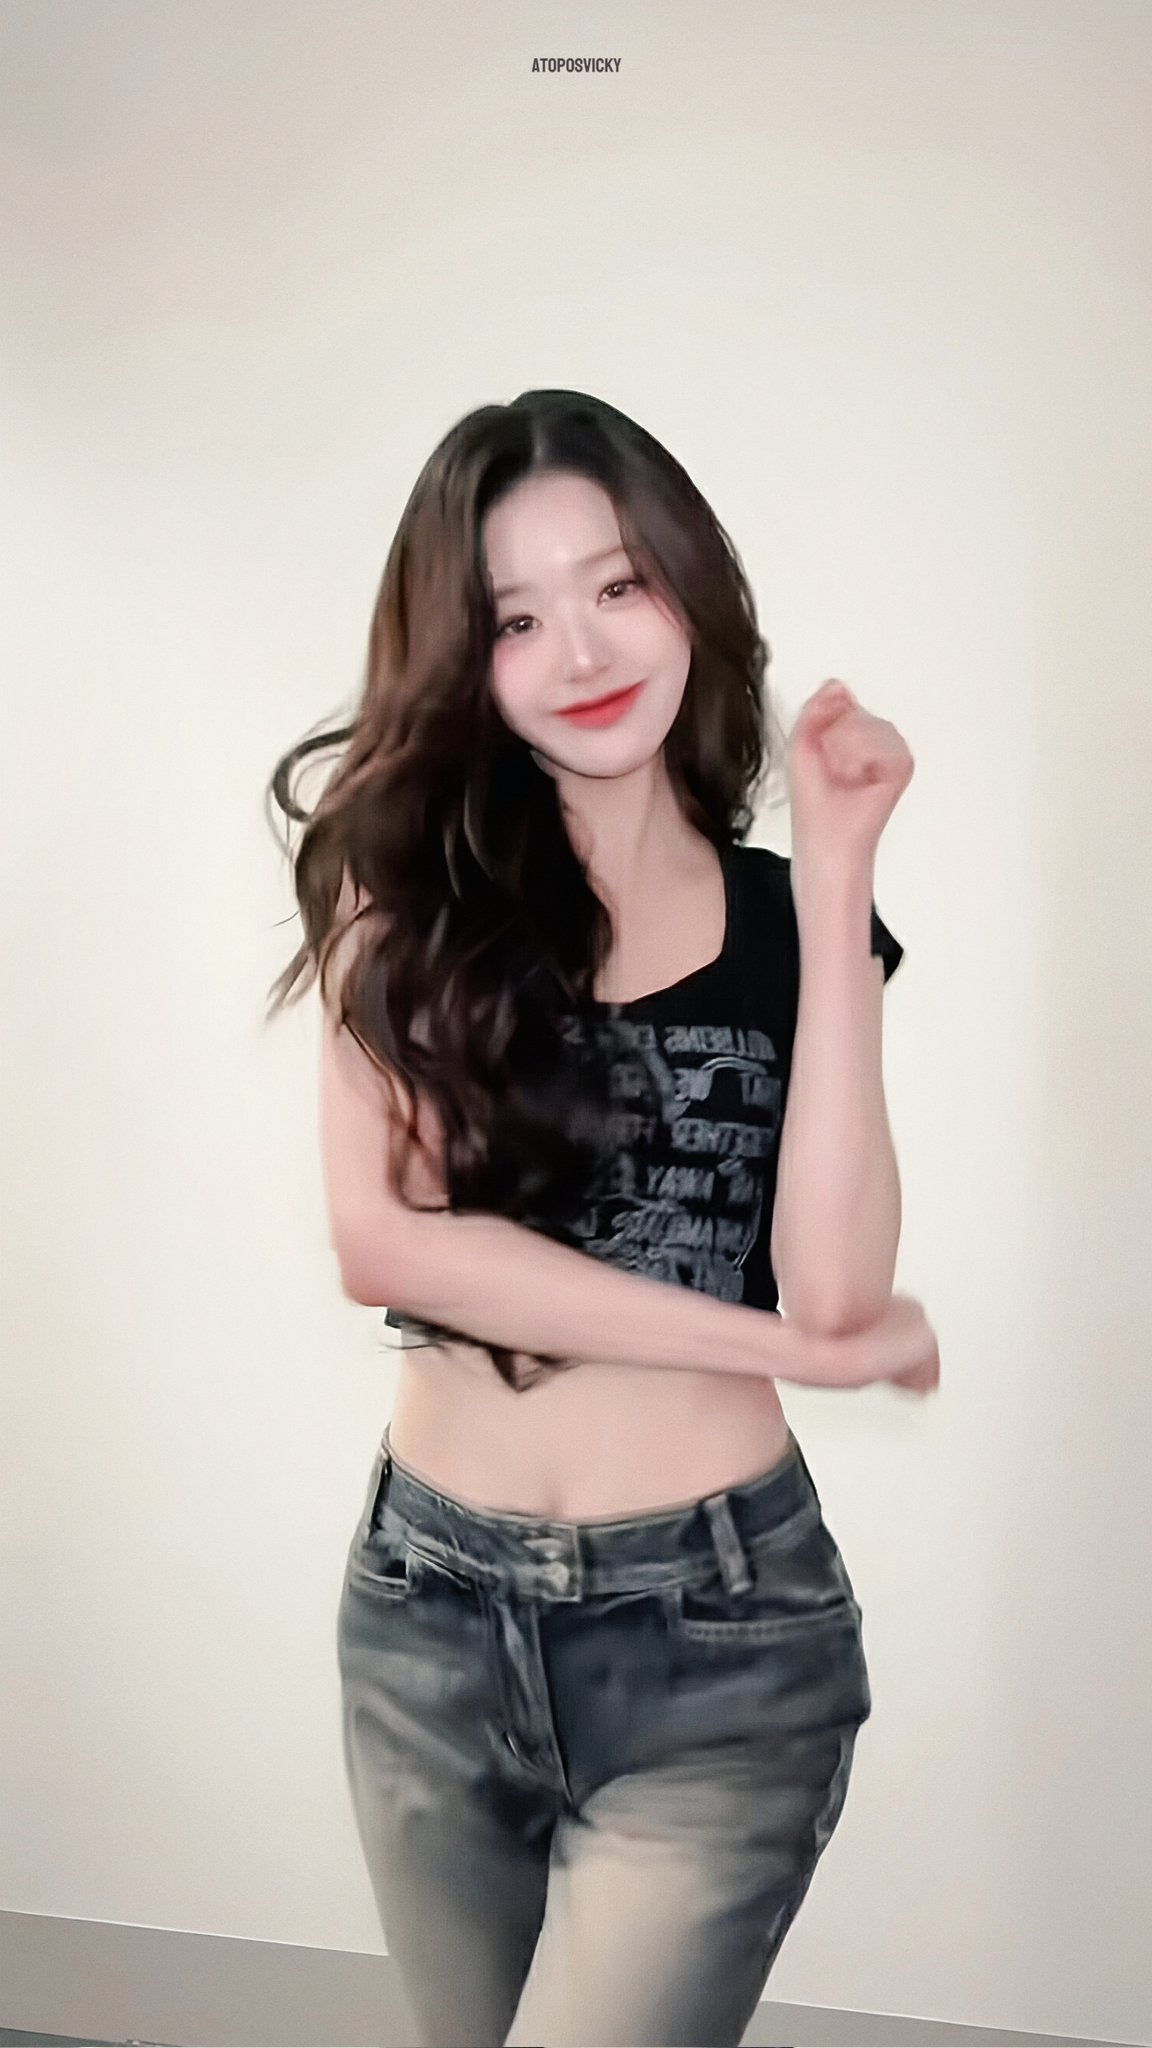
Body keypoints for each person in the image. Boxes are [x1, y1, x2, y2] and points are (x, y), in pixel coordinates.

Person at [266, 388, 939, 2048]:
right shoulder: (398, 894)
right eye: (515, 616)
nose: (580, 649)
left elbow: (838, 1289)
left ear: (689, 594)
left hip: (720, 1640)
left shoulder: (790, 920)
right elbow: (391, 1245)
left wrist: (837, 875)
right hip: (428, 1615)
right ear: (463, 657)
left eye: (619, 584)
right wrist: (779, 1347)